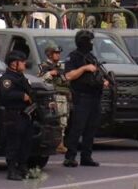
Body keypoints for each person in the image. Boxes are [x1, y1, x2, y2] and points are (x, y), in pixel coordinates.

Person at [63, 30, 109, 167]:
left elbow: (96, 74)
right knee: (77, 128)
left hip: (95, 97)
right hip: (81, 97)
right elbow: (69, 76)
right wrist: (84, 68)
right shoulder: (73, 57)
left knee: (91, 128)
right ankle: (70, 157)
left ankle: (86, 157)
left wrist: (103, 81)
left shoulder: (91, 57)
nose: (91, 44)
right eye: (89, 41)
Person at [0, 51, 35, 181]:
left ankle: (23, 167)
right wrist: (21, 96)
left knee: (26, 142)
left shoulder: (21, 77)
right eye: (22, 62)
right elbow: (5, 94)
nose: (25, 64)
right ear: (14, 64)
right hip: (13, 115)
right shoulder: (7, 79)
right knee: (13, 143)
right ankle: (12, 170)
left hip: (25, 114)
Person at [38, 43, 70, 153]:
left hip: (64, 96)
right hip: (54, 96)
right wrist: (49, 74)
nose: (58, 55)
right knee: (56, 121)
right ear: (50, 54)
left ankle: (61, 143)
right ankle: (57, 144)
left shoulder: (62, 66)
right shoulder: (44, 66)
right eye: (55, 53)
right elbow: (40, 80)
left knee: (64, 121)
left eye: (58, 53)